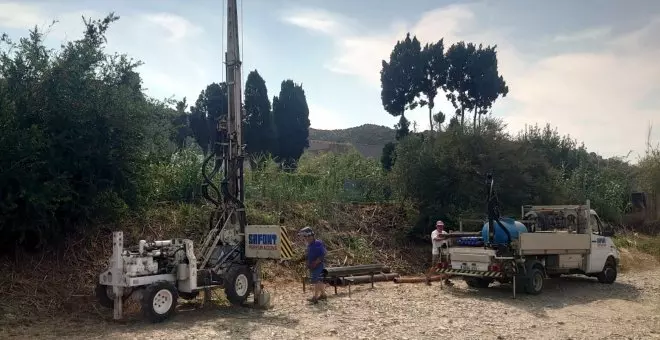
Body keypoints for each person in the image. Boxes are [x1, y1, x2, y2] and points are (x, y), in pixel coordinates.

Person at [298, 226, 327, 304]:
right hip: (312, 265)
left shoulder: (318, 243)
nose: (306, 239)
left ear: (311, 236)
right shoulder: (309, 245)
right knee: (319, 281)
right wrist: (307, 263)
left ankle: (315, 297)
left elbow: (322, 254)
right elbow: (308, 255)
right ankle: (323, 295)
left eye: (307, 237)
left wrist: (315, 263)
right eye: (305, 237)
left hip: (319, 265)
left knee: (316, 281)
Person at [428, 220, 453, 286]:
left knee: (445, 265)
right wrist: (444, 238)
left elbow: (448, 238)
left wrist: (449, 237)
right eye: (439, 226)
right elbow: (436, 239)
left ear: (443, 226)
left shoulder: (444, 232)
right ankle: (428, 279)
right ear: (436, 226)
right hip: (436, 251)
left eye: (441, 226)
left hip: (443, 251)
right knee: (434, 266)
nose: (440, 227)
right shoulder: (434, 232)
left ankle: (446, 280)